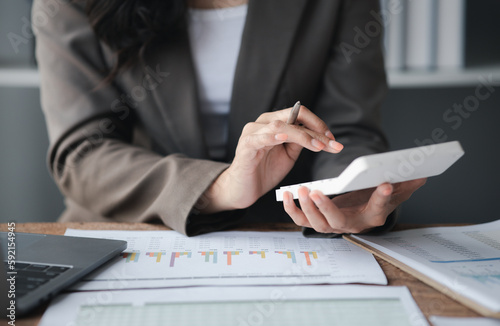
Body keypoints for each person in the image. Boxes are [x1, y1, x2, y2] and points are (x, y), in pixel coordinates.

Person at [33, 0, 425, 237]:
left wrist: (348, 191)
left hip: (288, 232)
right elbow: (82, 153)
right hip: (134, 226)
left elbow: (348, 128)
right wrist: (221, 186)